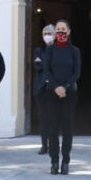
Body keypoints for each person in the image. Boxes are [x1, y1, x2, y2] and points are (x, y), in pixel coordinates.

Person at [44, 19, 81, 175]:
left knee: (67, 129)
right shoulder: (50, 50)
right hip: (52, 92)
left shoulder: (74, 51)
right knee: (52, 128)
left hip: (69, 93)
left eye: (63, 29)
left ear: (69, 31)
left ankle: (65, 161)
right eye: (58, 29)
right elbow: (46, 70)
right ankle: (54, 161)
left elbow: (76, 72)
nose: (60, 32)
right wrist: (56, 86)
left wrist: (65, 87)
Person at [32, 24, 55, 155]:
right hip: (41, 88)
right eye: (45, 33)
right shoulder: (38, 50)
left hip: (54, 88)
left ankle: (53, 144)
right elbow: (37, 66)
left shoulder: (59, 50)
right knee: (43, 118)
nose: (47, 36)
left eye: (49, 33)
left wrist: (44, 62)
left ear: (55, 35)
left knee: (54, 118)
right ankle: (44, 145)